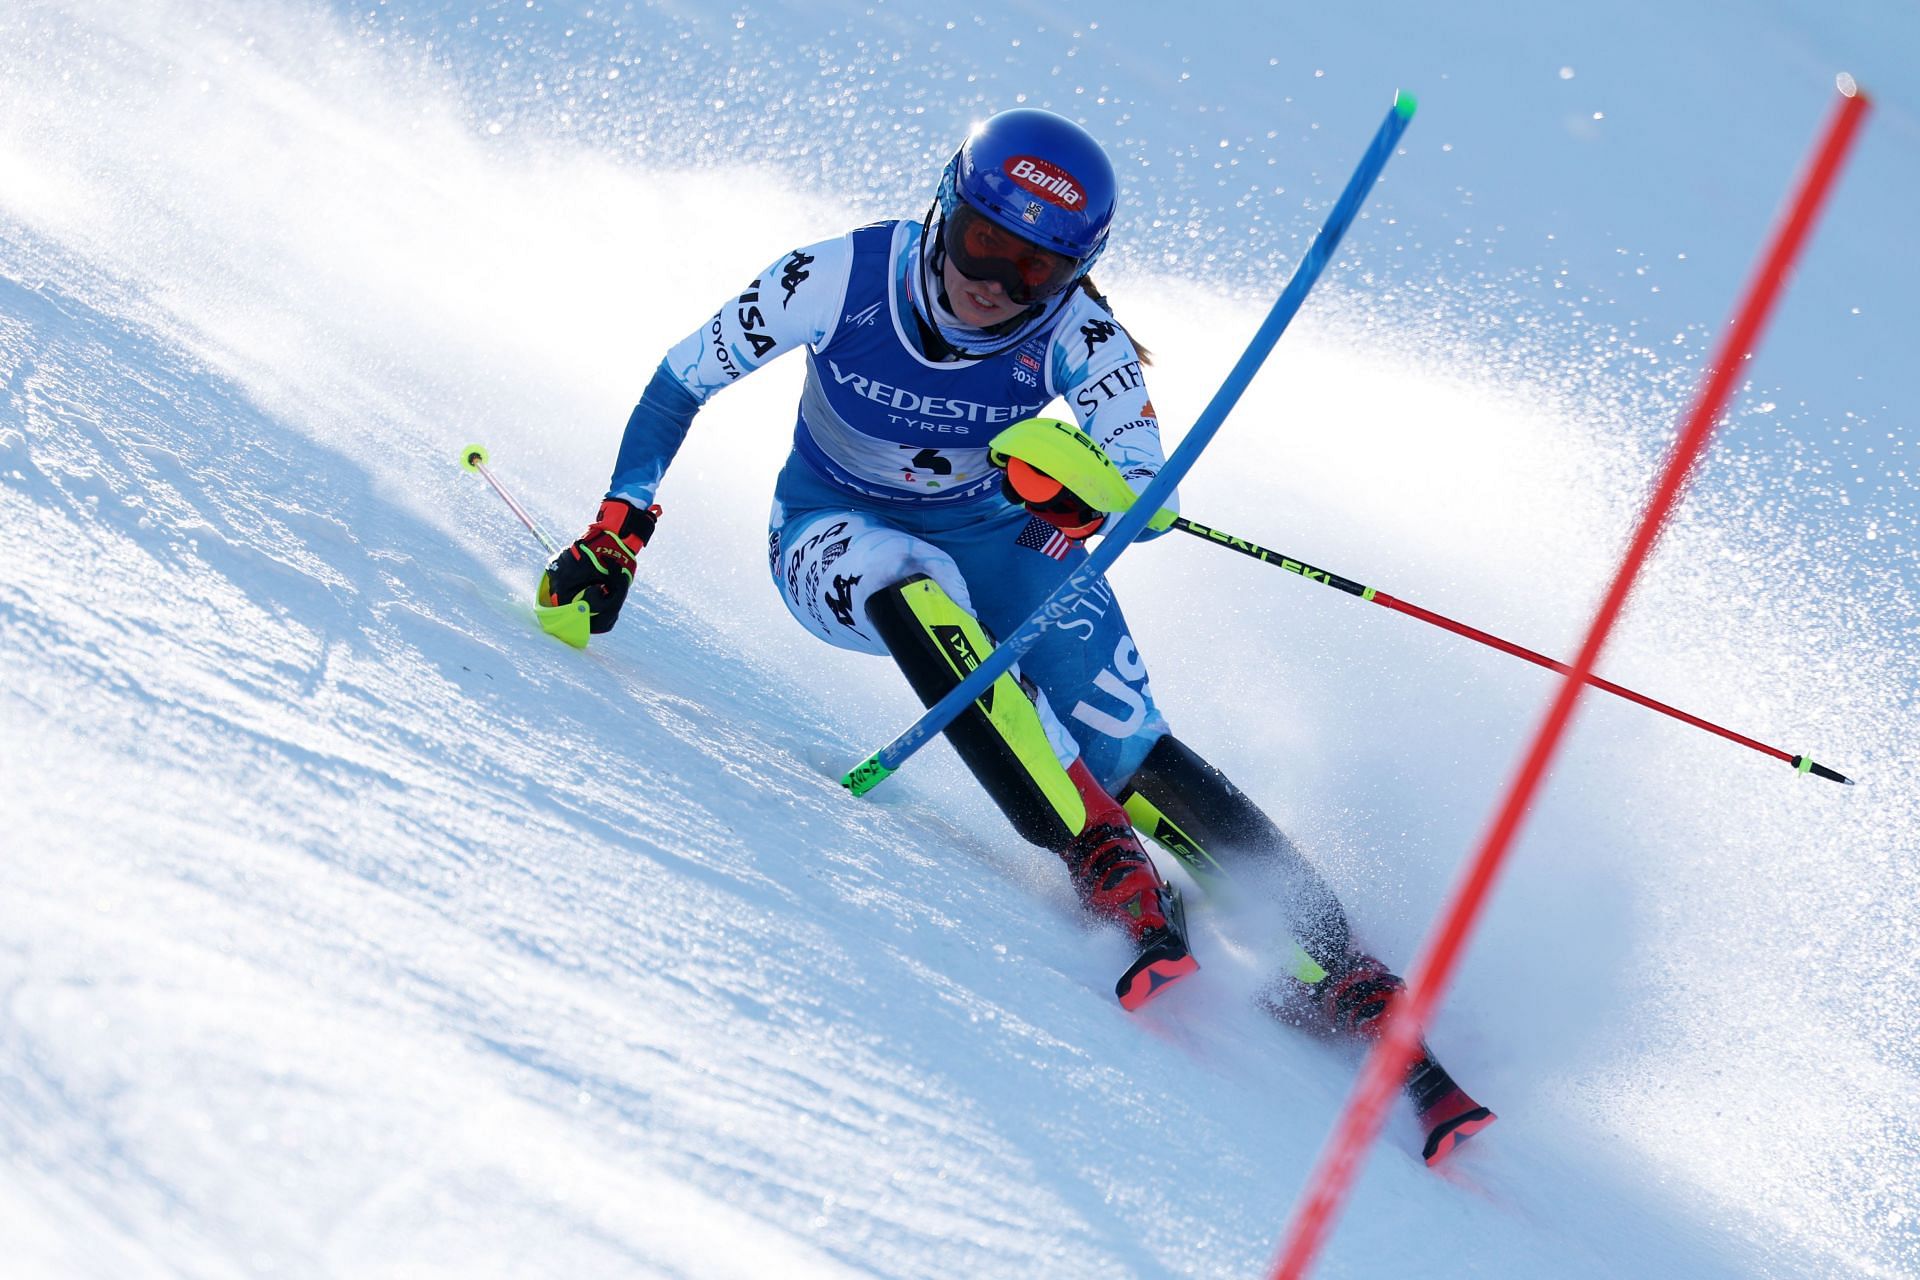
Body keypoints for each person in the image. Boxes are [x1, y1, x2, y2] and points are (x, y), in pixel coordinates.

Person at [542, 108, 1493, 1158]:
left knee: (1128, 738)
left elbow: (1136, 472)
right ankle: (1095, 846)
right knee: (912, 579)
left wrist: (1087, 497)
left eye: (1033, 269)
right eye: (987, 243)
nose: (995, 283)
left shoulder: (1084, 335)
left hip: (1007, 538)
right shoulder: (841, 274)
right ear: (947, 209)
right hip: (831, 529)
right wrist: (619, 526)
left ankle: (1337, 964)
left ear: (1074, 274)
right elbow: (685, 377)